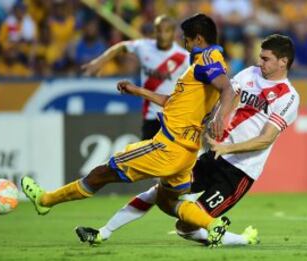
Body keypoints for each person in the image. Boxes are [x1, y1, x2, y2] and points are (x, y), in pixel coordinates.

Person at [21, 13, 235, 247]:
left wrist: (219, 118)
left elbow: (227, 89)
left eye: (187, 39)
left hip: (168, 146)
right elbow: (172, 101)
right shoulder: (210, 62)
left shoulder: (206, 59)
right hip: (186, 154)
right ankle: (213, 225)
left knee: (102, 173)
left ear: (199, 39)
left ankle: (46, 200)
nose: (184, 44)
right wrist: (138, 91)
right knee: (167, 202)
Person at [76, 34, 299, 247]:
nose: (259, 62)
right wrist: (217, 119)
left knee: (186, 226)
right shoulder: (249, 73)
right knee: (160, 191)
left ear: (283, 62)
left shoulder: (288, 96)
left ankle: (242, 239)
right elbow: (229, 96)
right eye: (260, 56)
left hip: (239, 172)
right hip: (213, 156)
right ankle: (102, 232)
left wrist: (228, 146)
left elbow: (265, 140)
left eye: (266, 58)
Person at [81, 15, 189, 139]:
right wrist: (99, 62)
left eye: (167, 31)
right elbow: (121, 47)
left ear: (173, 33)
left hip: (172, 117)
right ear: (155, 31)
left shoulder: (184, 57)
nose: (162, 35)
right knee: (149, 157)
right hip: (150, 116)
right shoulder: (144, 46)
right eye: (159, 30)